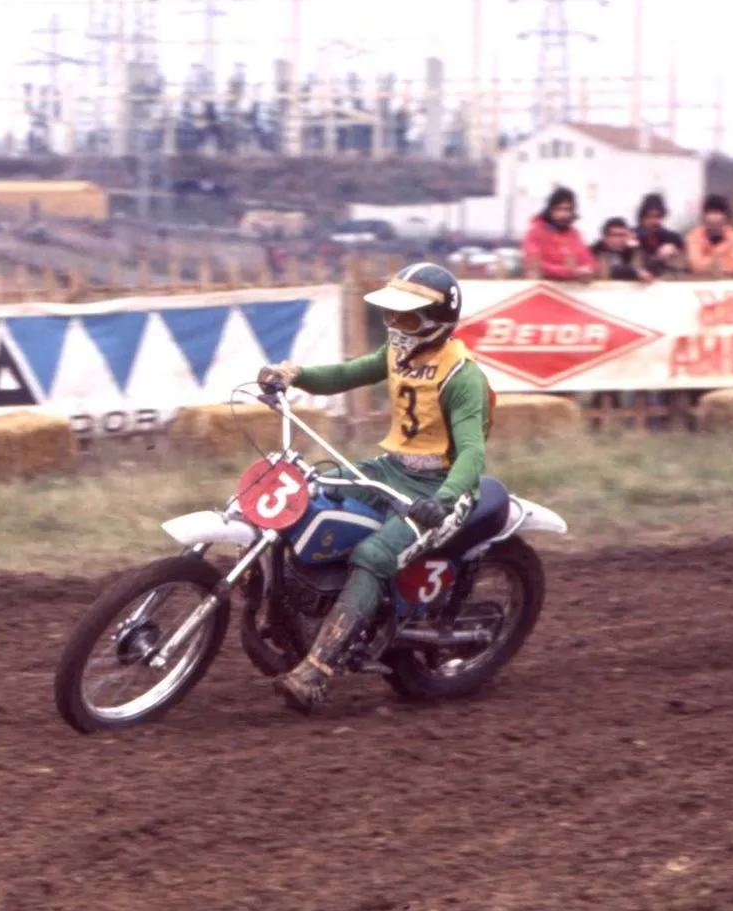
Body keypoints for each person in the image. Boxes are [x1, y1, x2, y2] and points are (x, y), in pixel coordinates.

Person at [255, 262, 496, 715]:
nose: (395, 325)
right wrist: (295, 375)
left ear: (436, 321)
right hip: (391, 469)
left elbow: (471, 453)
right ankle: (287, 614)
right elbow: (346, 375)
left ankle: (316, 673)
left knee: (374, 555)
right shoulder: (398, 353)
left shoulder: (462, 376)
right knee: (305, 497)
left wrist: (444, 500)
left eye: (406, 317)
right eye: (392, 314)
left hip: (441, 489)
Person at [522, 186, 596, 282]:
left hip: (572, 289)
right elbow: (535, 265)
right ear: (550, 211)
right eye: (558, 209)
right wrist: (570, 272)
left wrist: (587, 271)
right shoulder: (535, 233)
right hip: (543, 288)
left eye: (567, 210)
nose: (563, 214)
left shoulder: (575, 234)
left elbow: (589, 262)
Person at [682, 194, 733, 278]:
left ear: (726, 217)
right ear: (704, 217)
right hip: (701, 281)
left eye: (717, 213)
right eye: (710, 213)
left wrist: (717, 265)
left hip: (729, 281)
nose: (713, 218)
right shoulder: (694, 237)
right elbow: (695, 264)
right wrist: (716, 262)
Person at [634, 192, 685, 275]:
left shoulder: (670, 236)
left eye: (657, 217)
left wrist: (673, 247)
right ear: (642, 217)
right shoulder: (634, 235)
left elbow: (682, 242)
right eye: (649, 216)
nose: (654, 221)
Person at [594, 217, 652, 283]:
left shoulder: (632, 250)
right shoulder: (597, 251)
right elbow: (607, 273)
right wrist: (636, 272)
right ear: (605, 238)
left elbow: (648, 268)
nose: (619, 239)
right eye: (614, 235)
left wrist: (636, 249)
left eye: (623, 235)